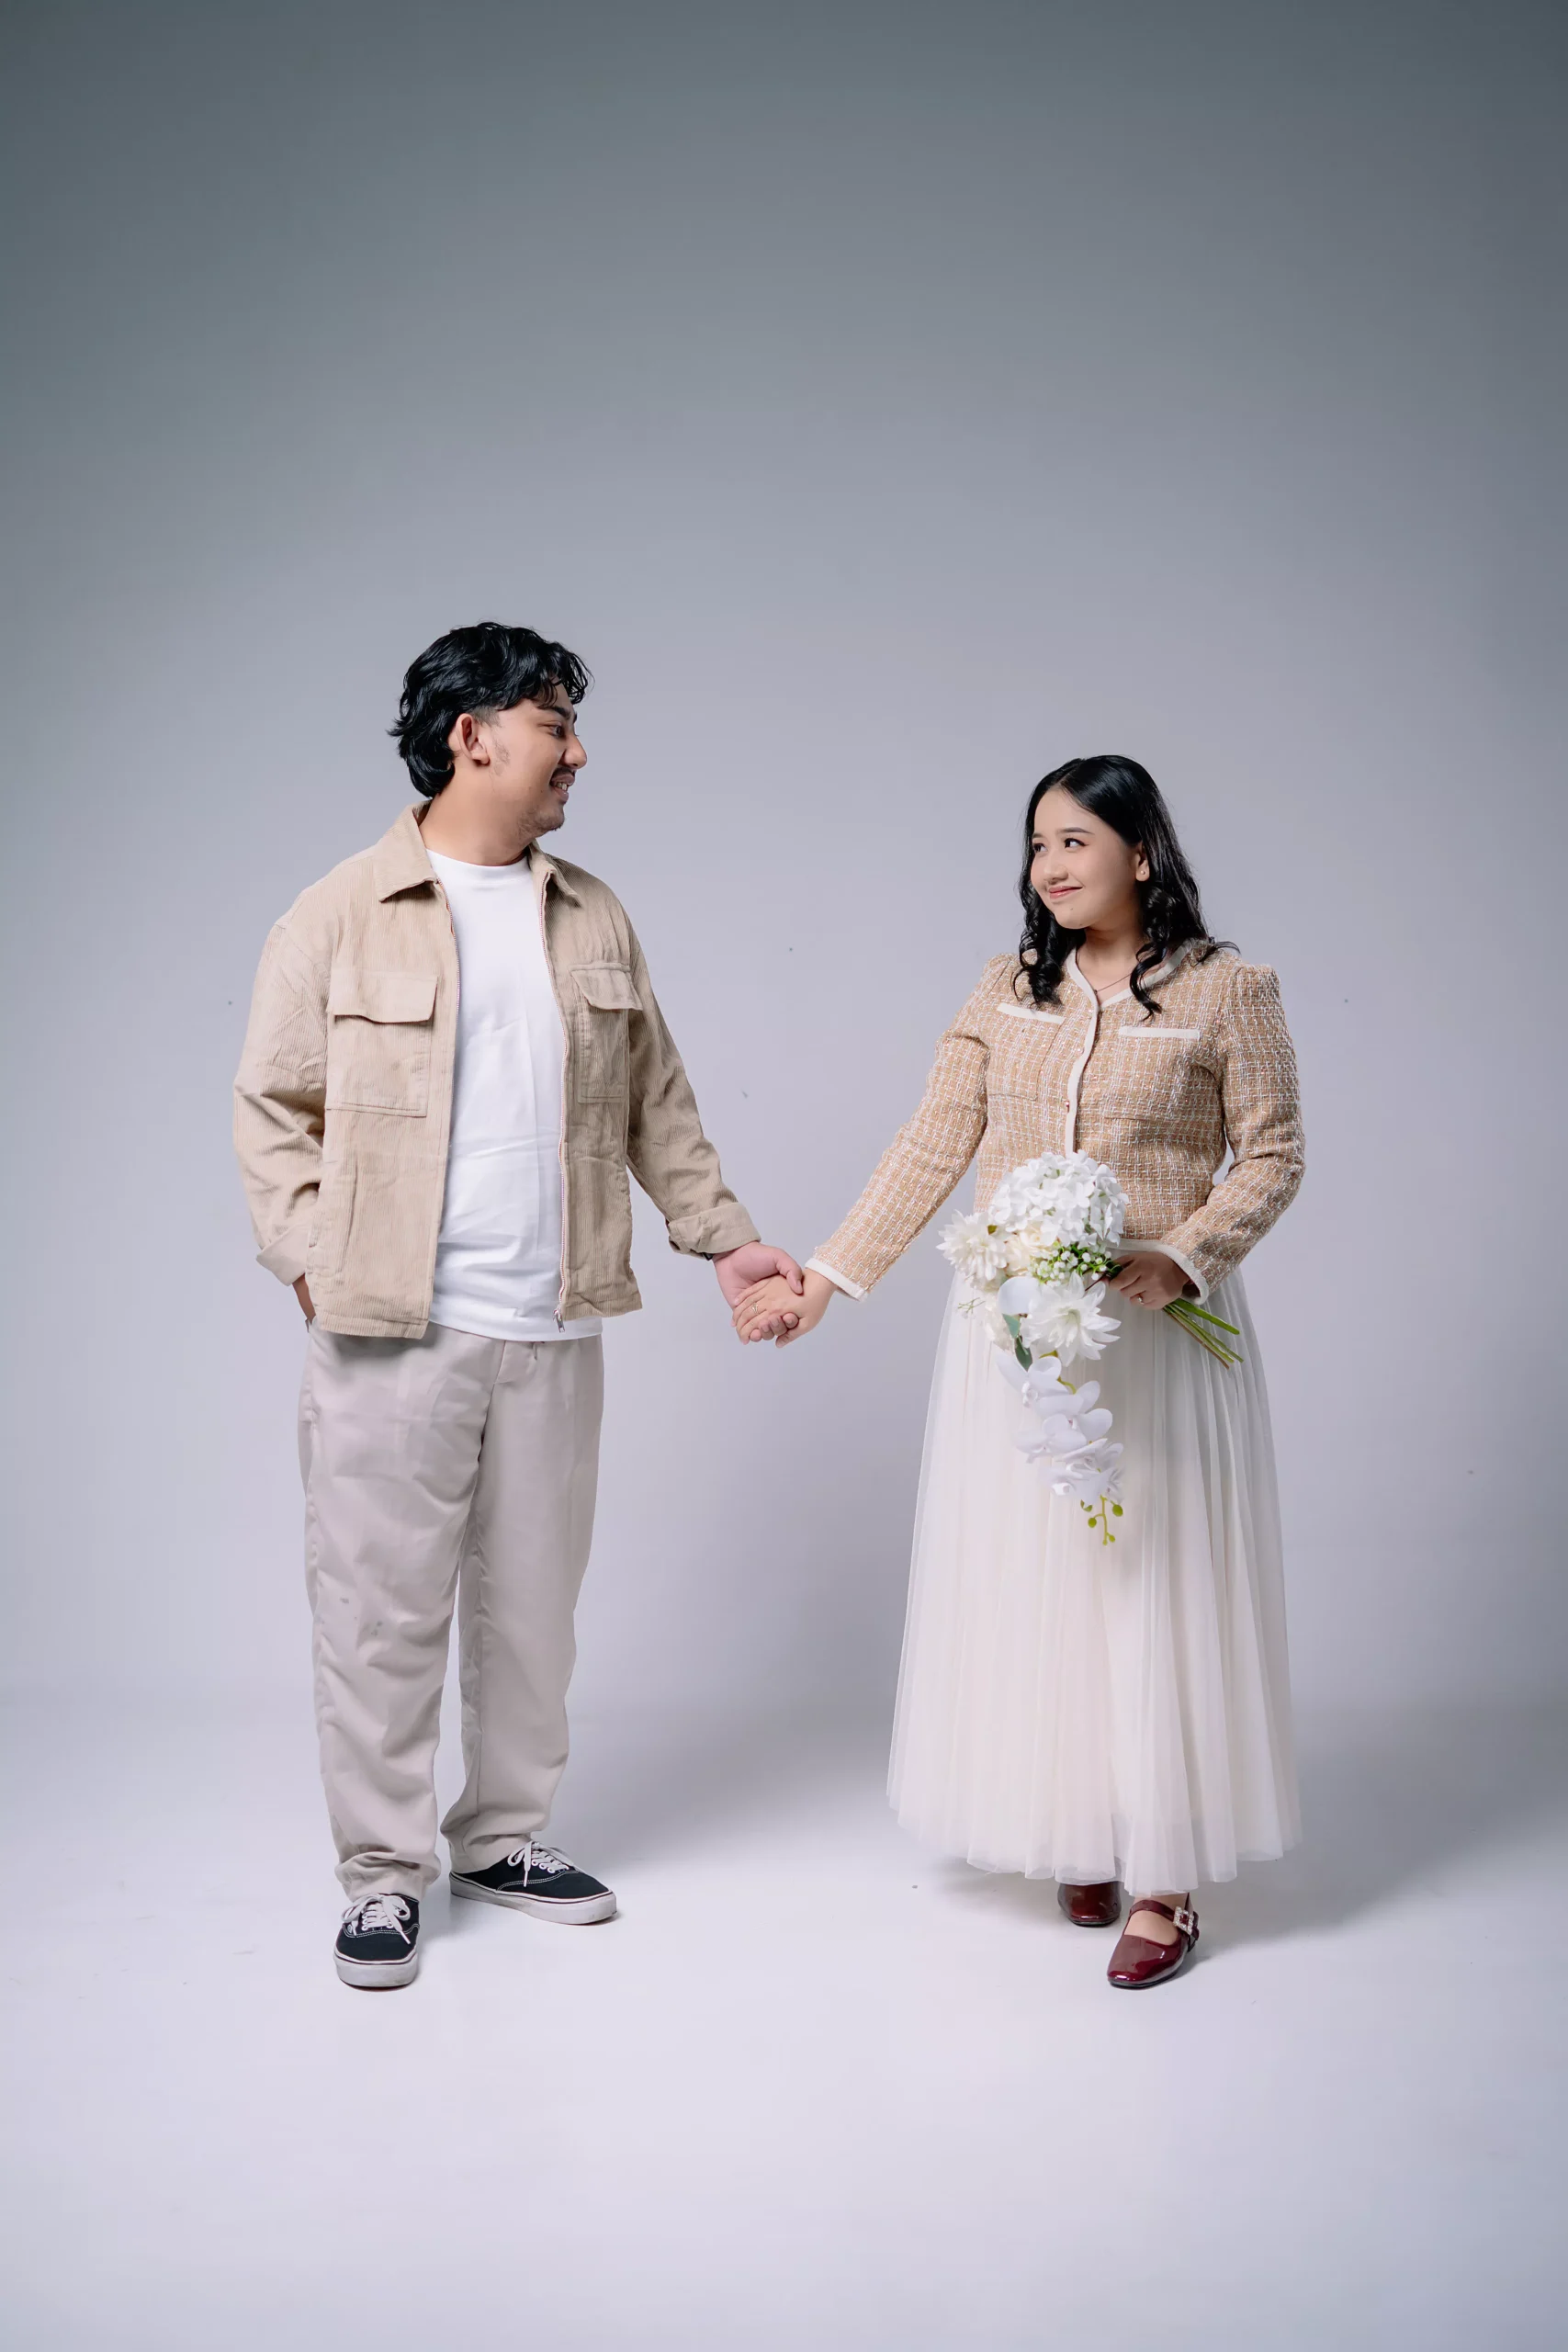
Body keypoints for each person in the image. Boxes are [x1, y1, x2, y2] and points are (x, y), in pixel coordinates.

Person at [233, 623, 803, 1990]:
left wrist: (725, 1242)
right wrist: (310, 1259)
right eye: (555, 722)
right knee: (379, 1617)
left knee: (533, 1615)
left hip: (553, 1322)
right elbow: (271, 1109)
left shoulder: (591, 915)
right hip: (390, 1331)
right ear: (470, 735)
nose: (578, 751)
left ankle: (500, 1841)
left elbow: (657, 1102)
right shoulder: (336, 912)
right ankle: (384, 1877)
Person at [733, 756, 1303, 1989]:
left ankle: (1164, 1878)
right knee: (1041, 1582)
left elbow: (1271, 1155)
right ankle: (1076, 1829)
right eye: (1037, 844)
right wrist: (823, 1281)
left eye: (1075, 841)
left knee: (1148, 1581)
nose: (1049, 865)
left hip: (1154, 1334)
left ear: (1141, 852)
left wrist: (1184, 1257)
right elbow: (933, 1140)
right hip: (1016, 1334)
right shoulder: (1006, 990)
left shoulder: (1227, 990)